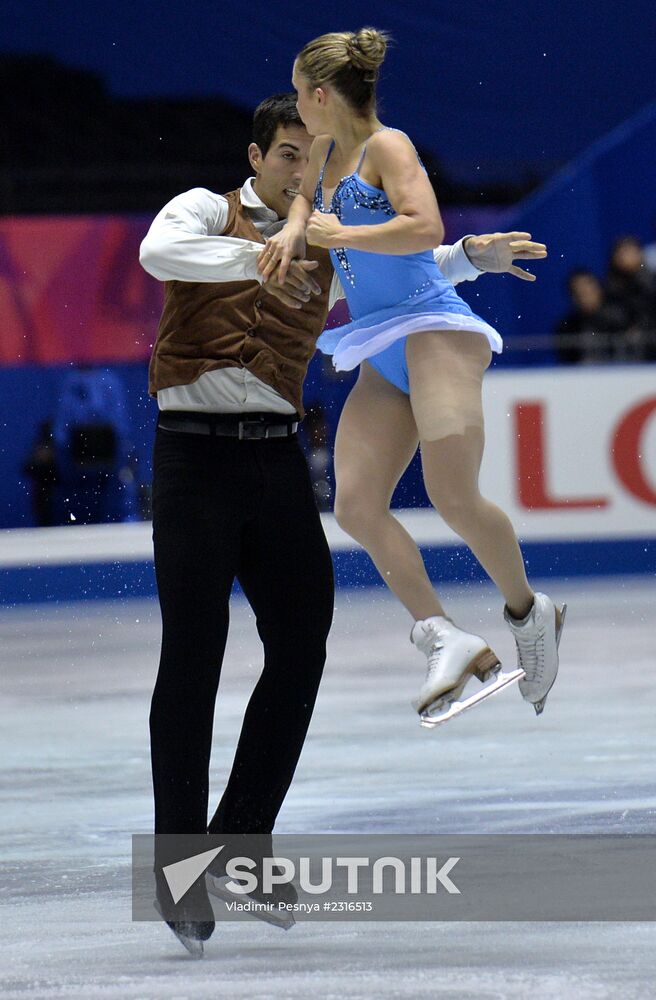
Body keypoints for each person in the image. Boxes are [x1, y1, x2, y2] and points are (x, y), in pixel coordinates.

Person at [140, 91, 549, 952]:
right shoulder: (206, 210)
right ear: (257, 160)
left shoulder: (325, 237)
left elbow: (407, 269)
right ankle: (181, 860)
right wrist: (270, 248)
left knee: (303, 645)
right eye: (290, 156)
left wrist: (470, 254)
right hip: (194, 461)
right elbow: (160, 252)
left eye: (317, 159)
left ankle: (241, 841)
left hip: (276, 461)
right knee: (194, 650)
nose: (305, 171)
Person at [259, 29, 565, 730]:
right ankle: (442, 634)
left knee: (452, 494)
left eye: (299, 93)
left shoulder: (387, 147)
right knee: (356, 506)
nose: (295, 109)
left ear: (321, 95)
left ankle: (528, 610)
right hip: (378, 341)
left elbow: (422, 227)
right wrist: (294, 246)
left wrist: (333, 237)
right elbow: (310, 223)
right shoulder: (323, 157)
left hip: (433, 329)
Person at [555, 269, 628, 364]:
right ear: (573, 297)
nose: (584, 295)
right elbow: (566, 362)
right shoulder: (567, 327)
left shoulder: (620, 319)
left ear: (599, 290)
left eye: (588, 291)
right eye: (579, 293)